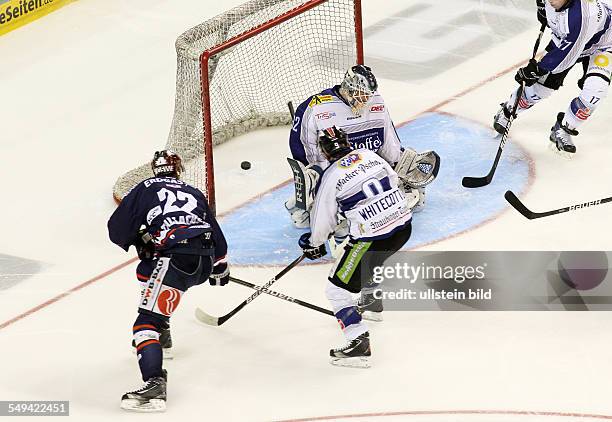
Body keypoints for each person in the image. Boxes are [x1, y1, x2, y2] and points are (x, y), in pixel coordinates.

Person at [108, 150, 229, 412]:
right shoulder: (193, 191)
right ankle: (162, 337)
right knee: (146, 269)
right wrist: (219, 266)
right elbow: (217, 236)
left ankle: (154, 385)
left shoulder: (146, 187)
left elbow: (117, 229)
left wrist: (140, 239)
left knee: (144, 323)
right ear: (178, 170)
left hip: (176, 259)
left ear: (155, 169)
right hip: (203, 258)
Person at [297, 127, 414, 368]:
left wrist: (312, 243)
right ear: (347, 142)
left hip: (374, 237)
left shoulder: (330, 176)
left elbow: (322, 223)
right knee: (371, 259)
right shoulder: (369, 156)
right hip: (403, 226)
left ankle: (358, 341)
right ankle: (371, 302)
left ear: (324, 152)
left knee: (336, 290)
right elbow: (393, 182)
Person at [286, 64, 427, 228]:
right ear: (348, 89)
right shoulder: (316, 108)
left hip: (369, 171)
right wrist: (317, 188)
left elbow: (390, 146)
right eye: (360, 95)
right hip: (338, 178)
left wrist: (400, 172)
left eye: (368, 95)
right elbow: (304, 154)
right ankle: (301, 205)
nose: (365, 101)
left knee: (409, 195)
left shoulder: (376, 103)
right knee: (317, 220)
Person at [494, 0, 612, 156]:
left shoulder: (581, 16)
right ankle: (509, 109)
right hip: (566, 38)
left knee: (594, 93)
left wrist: (538, 69)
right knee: (539, 90)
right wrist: (542, 10)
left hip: (603, 45)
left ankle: (564, 128)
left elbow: (567, 56)